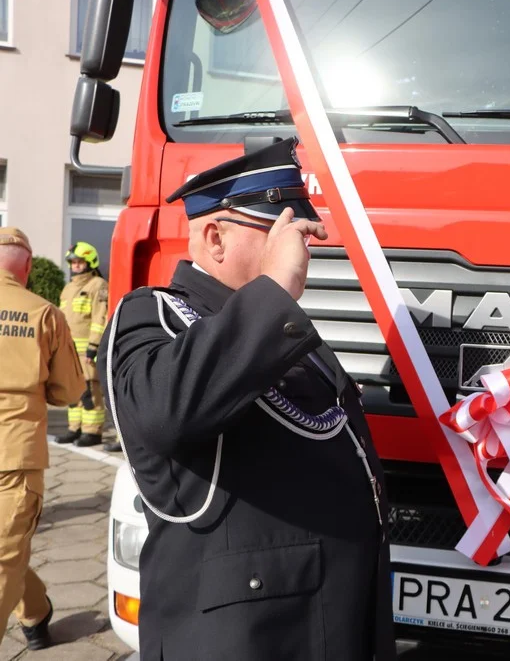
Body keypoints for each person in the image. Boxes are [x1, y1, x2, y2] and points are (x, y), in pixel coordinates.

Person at [97, 137, 394, 660]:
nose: (302, 246)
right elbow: (160, 411)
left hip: (320, 626)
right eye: (282, 231)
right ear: (215, 237)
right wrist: (277, 286)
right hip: (250, 638)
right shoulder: (156, 314)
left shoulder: (273, 328)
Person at [0, 227, 87, 650]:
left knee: (5, 551)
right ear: (28, 269)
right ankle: (36, 611)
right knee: (5, 555)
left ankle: (35, 612)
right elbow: (70, 392)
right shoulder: (44, 313)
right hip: (16, 456)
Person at [54, 241, 111, 449]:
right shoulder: (68, 288)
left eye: (80, 262)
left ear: (90, 262)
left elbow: (100, 318)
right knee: (72, 391)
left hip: (87, 351)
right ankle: (74, 427)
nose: (76, 265)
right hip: (68, 351)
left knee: (89, 391)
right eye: (73, 262)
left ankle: (92, 432)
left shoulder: (98, 286)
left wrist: (93, 347)